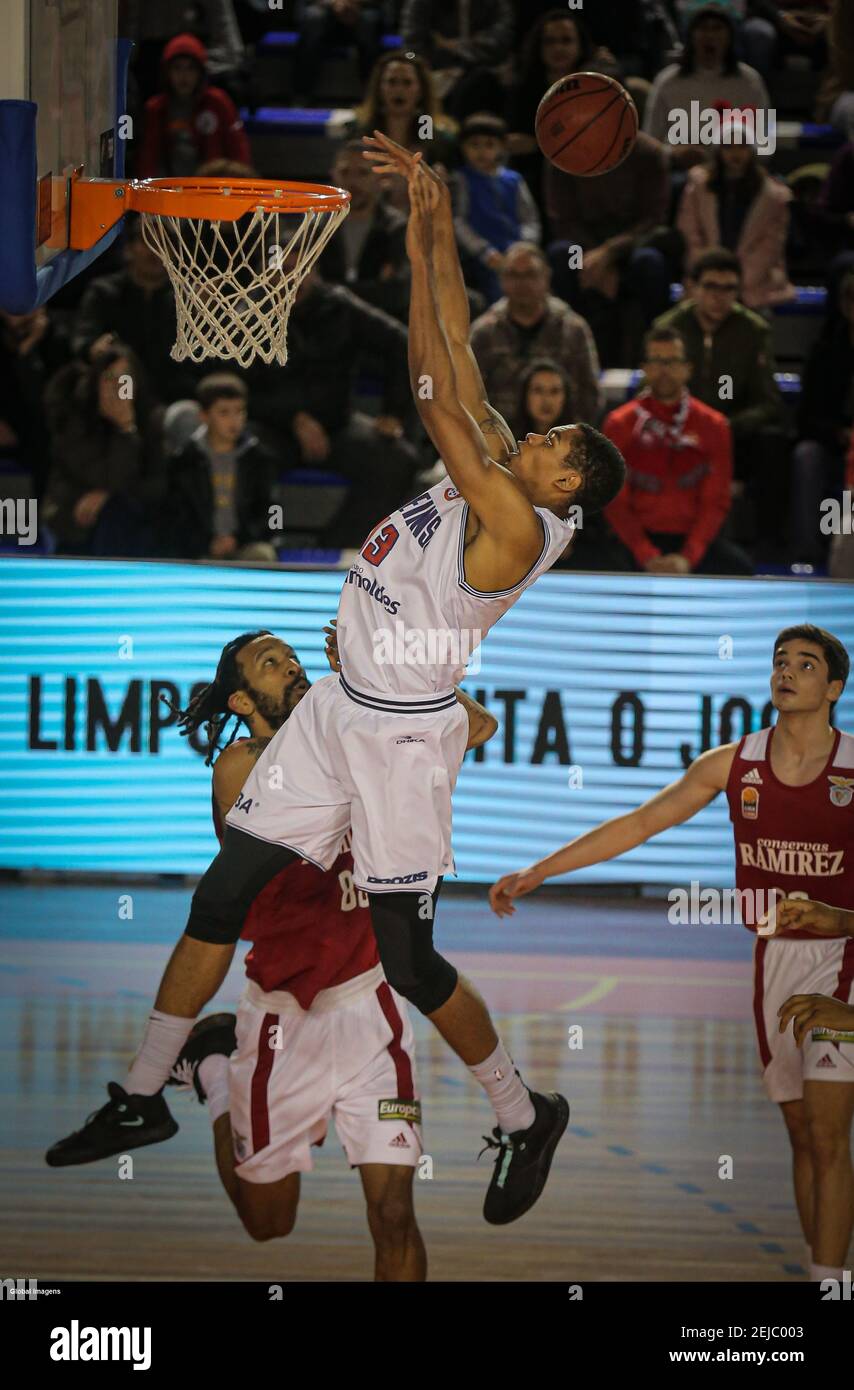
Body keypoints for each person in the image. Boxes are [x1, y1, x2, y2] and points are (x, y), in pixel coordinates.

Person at [45, 138, 626, 1228]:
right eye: (542, 430)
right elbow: (449, 343)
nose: (536, 434)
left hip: (399, 739)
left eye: (553, 441)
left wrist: (425, 305)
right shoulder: (512, 469)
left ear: (566, 488)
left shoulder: (515, 521)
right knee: (221, 892)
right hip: (332, 715)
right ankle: (136, 1096)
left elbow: (438, 399)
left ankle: (519, 1109)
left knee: (408, 957)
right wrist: (425, 217)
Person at [490, 623, 854, 1284]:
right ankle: (821, 1274)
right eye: (779, 661)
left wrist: (837, 915)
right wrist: (541, 869)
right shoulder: (731, 764)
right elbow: (639, 822)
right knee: (804, 1136)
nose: (787, 671)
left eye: (805, 664)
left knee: (829, 1139)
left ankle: (834, 1287)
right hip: (776, 963)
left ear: (833, 688)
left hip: (845, 958)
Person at [653, 248, 787, 550]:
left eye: (728, 288)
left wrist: (724, 426)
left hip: (733, 432)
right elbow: (652, 389)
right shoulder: (668, 327)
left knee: (773, 439)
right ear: (694, 288)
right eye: (711, 286)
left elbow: (769, 401)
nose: (719, 296)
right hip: (675, 429)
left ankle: (770, 543)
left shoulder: (753, 331)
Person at [601, 325, 753, 574]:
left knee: (742, 569)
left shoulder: (714, 425)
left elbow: (716, 501)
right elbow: (615, 500)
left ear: (688, 369)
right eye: (657, 361)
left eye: (672, 361)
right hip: (634, 542)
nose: (664, 370)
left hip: (693, 541)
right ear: (645, 369)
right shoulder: (619, 423)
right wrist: (645, 553)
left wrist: (689, 556)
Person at [543, 132, 677, 367]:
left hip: (633, 246)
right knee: (561, 256)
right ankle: (564, 356)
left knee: (650, 263)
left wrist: (609, 253)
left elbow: (653, 219)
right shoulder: (562, 152)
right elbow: (562, 219)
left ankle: (653, 359)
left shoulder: (650, 153)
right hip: (582, 248)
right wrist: (594, 256)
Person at [42, 343, 166, 557]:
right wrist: (125, 432)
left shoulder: (152, 421)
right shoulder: (75, 420)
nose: (117, 386)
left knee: (121, 508)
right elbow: (98, 477)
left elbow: (157, 485)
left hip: (130, 522)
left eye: (124, 378)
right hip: (75, 518)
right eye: (109, 378)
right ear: (96, 382)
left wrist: (127, 429)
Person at [468, 243, 603, 430]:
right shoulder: (484, 332)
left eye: (530, 274)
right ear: (502, 280)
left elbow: (590, 395)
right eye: (514, 275)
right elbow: (468, 397)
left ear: (546, 277)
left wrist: (570, 442)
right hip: (498, 443)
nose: (522, 283)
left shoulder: (572, 329)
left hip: (560, 443)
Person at [72, 215, 200, 407]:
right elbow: (82, 339)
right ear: (129, 249)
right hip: (121, 388)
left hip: (172, 395)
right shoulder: (103, 292)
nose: (154, 251)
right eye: (148, 241)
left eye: (164, 243)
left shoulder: (189, 298)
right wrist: (93, 348)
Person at [161, 372, 278, 562]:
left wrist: (239, 539)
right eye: (224, 412)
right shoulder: (185, 462)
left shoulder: (258, 459)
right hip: (197, 551)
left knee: (263, 555)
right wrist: (206, 543)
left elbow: (272, 512)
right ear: (204, 416)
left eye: (239, 411)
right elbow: (174, 518)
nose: (234, 420)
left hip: (246, 547)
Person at [677, 128, 796, 310]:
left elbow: (771, 245)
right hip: (703, 278)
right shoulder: (698, 186)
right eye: (728, 147)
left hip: (755, 283)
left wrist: (734, 282)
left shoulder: (774, 196)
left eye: (742, 146)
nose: (735, 153)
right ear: (718, 151)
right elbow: (690, 233)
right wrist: (710, 275)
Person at [644, 1, 770, 163]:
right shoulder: (667, 81)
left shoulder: (750, 81)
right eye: (703, 28)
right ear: (690, 36)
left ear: (730, 36)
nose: (710, 36)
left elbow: (766, 144)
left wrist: (737, 154)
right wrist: (673, 153)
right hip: (681, 173)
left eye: (717, 28)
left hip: (734, 174)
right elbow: (650, 143)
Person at [340, 51, 458, 220]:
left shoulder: (436, 136)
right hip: (369, 218)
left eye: (407, 83)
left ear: (420, 90)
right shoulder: (358, 132)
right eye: (391, 82)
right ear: (380, 88)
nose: (399, 90)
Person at [789, 271, 854, 564]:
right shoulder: (824, 352)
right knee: (807, 456)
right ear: (844, 305)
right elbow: (805, 417)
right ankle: (808, 552)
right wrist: (839, 434)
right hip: (830, 442)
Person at [449, 113, 542, 305]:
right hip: (482, 256)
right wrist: (484, 252)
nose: (482, 151)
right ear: (463, 148)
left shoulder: (514, 179)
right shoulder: (462, 179)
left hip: (517, 250)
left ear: (501, 147)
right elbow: (459, 221)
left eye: (489, 145)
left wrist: (524, 246)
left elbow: (529, 219)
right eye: (474, 145)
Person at [317, 140, 411, 324]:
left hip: (383, 332)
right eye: (344, 173)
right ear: (333, 175)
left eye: (362, 173)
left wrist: (334, 290)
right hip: (327, 330)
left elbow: (399, 293)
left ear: (382, 179)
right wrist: (375, 287)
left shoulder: (398, 228)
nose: (352, 182)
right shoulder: (316, 227)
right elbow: (307, 291)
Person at [136, 32, 250, 179]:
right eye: (177, 68)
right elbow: (148, 160)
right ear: (167, 72)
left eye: (190, 68)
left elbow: (239, 154)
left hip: (212, 189)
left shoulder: (218, 102)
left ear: (200, 73)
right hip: (168, 190)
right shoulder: (155, 108)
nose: (184, 76)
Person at [399, 0, 515, 122]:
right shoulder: (421, 3)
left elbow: (500, 41)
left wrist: (454, 46)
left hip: (487, 79)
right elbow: (413, 48)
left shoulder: (496, 4)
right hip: (438, 76)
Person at [292, 0, 384, 105]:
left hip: (362, 8)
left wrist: (353, 4)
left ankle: (372, 97)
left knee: (370, 22)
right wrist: (335, 3)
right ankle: (301, 95)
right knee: (313, 19)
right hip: (327, 8)